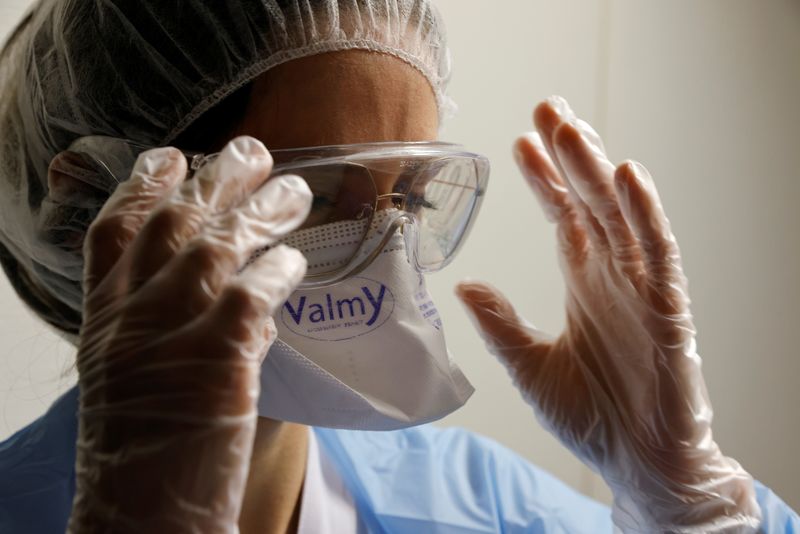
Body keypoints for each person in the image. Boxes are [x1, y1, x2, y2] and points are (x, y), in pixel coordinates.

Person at [0, 1, 797, 533]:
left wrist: (698, 508)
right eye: (312, 196)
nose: (386, 255)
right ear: (92, 213)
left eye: (409, 198)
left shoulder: (477, 506)